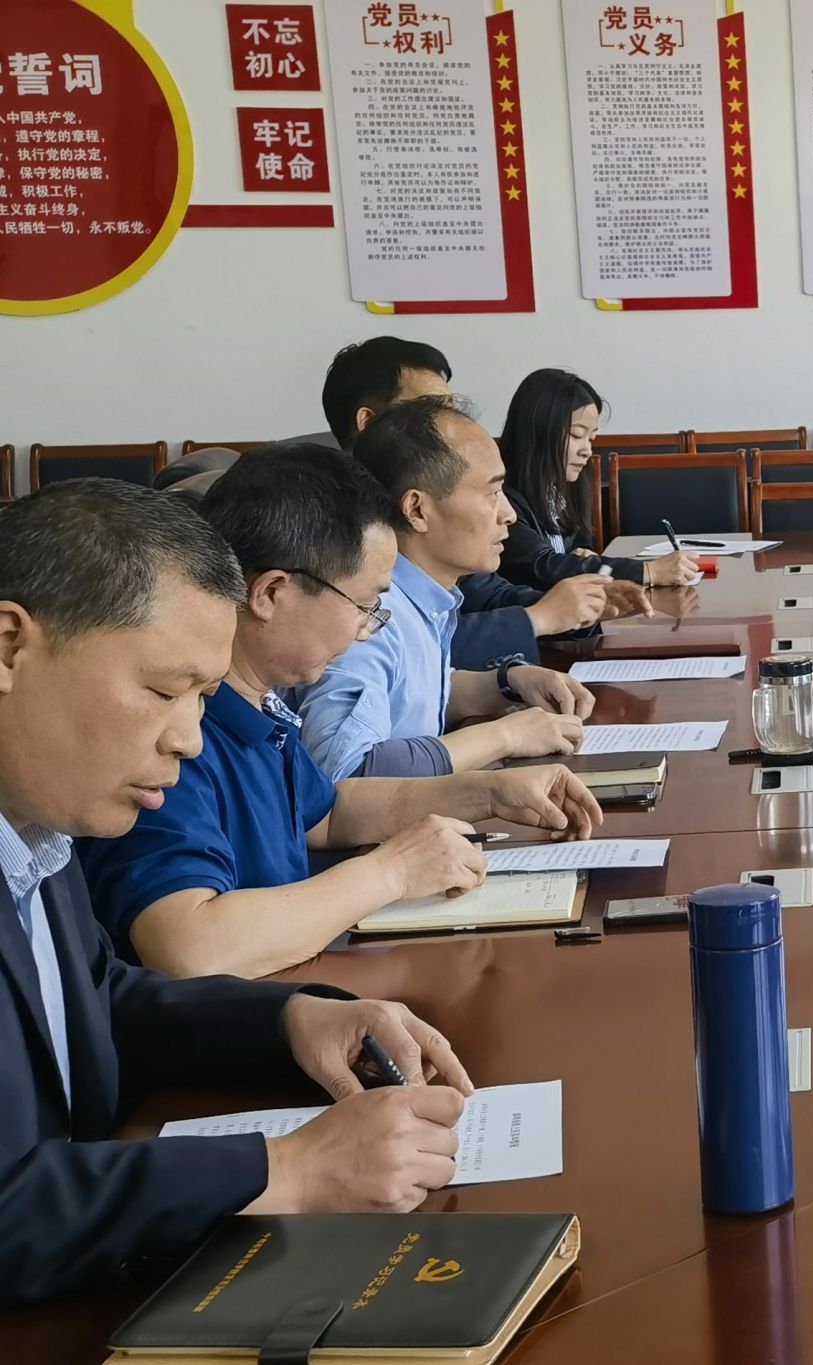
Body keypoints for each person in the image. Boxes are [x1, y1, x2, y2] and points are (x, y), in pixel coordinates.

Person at [0, 479, 472, 1307]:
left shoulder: (40, 822)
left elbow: (97, 1003)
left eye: (202, 696)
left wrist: (287, 1019)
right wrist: (282, 1169)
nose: (188, 738)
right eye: (162, 690)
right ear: (10, 647)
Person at [76, 448, 606, 980]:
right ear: (272, 592)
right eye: (364, 604)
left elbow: (326, 815)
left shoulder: (262, 701)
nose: (365, 630)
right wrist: (392, 872)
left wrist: (489, 794)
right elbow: (190, 947)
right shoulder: (173, 733)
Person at [294, 399, 598, 781]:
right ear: (417, 510)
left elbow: (410, 699)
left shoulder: (423, 596)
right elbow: (346, 769)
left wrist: (507, 682)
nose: (509, 514)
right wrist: (504, 736)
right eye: (492, 493)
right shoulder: (370, 614)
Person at [319, 337, 644, 667]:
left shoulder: (445, 516)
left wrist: (577, 608)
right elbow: (406, 649)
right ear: (369, 423)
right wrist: (538, 618)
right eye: (431, 407)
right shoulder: (339, 542)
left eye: (449, 407)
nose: (449, 419)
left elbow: (488, 596)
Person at [497, 368, 698, 590]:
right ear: (537, 432)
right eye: (576, 435)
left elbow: (578, 549)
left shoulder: (563, 489)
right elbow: (542, 567)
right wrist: (648, 571)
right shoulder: (500, 497)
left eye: (591, 438)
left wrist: (585, 556)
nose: (587, 450)